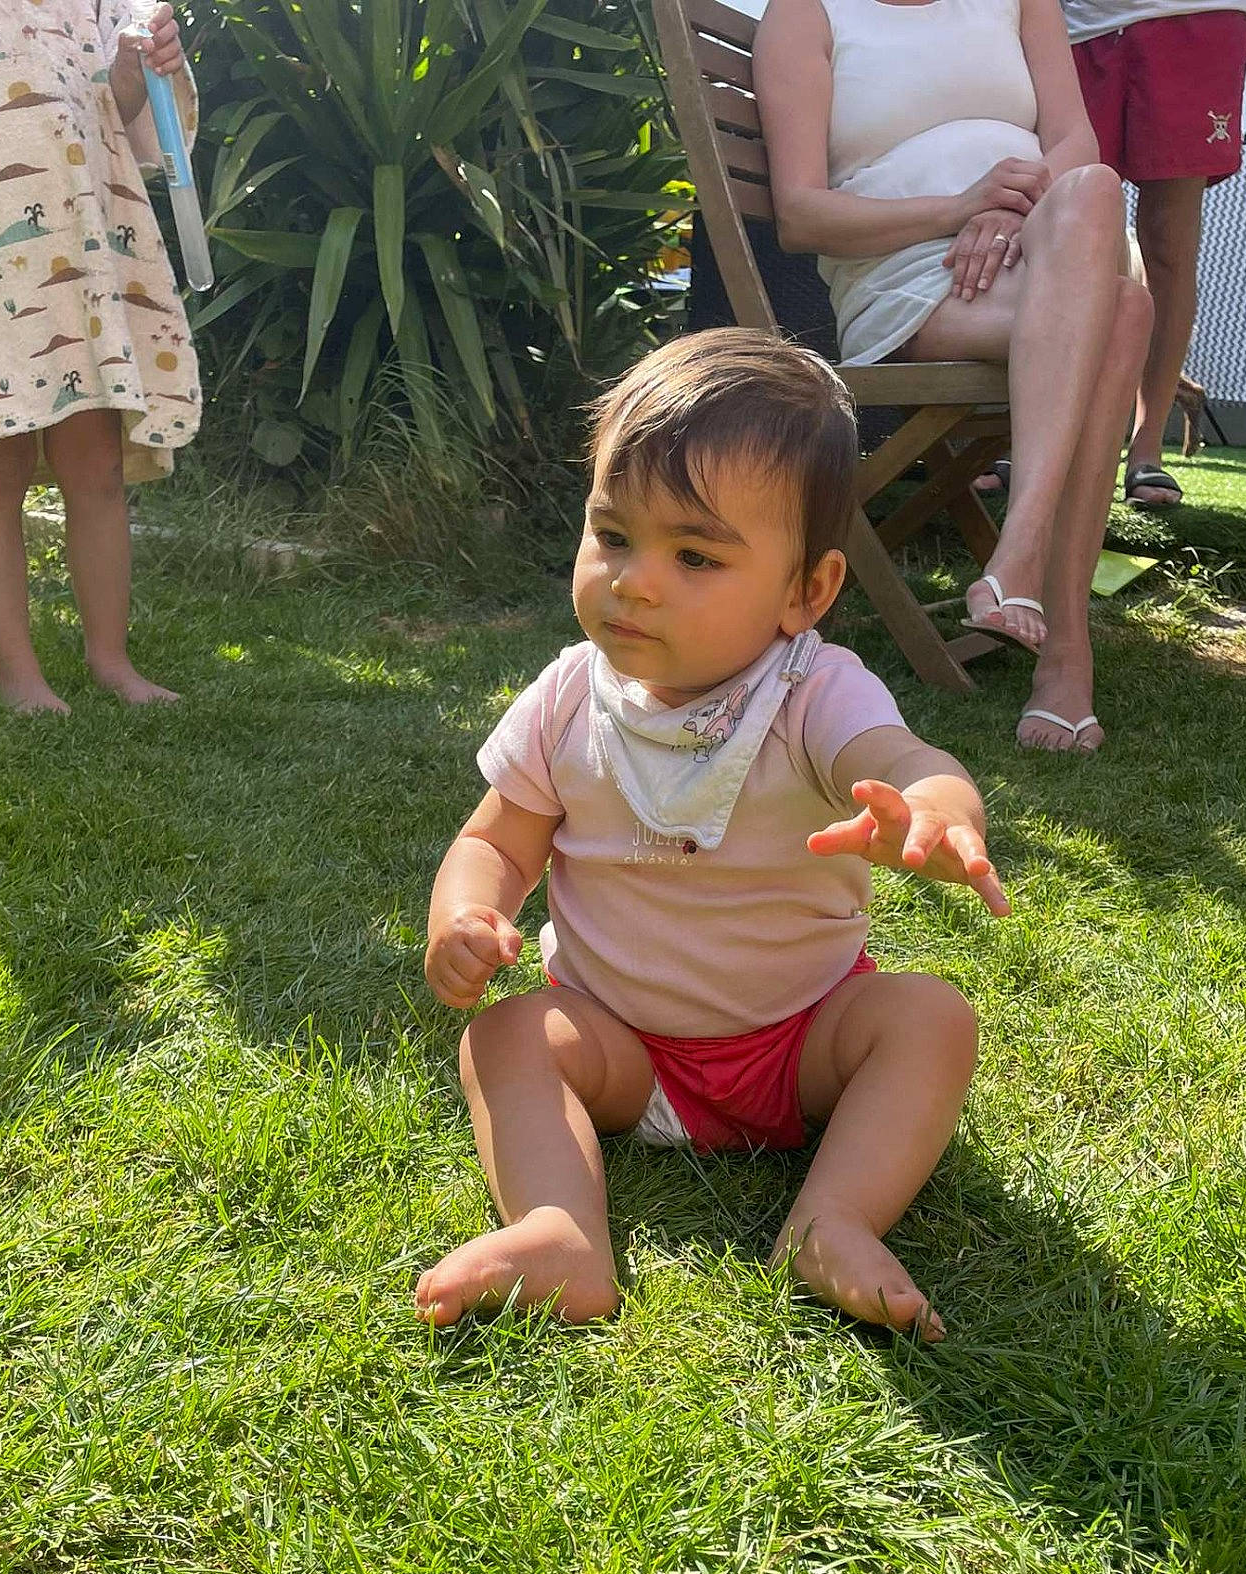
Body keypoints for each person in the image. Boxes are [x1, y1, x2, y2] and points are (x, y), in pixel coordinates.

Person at [419, 331, 1009, 1340]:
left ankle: (833, 1219)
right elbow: (498, 843)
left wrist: (938, 808)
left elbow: (908, 757)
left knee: (930, 1019)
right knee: (508, 1035)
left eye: (694, 554)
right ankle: (562, 1227)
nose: (636, 580)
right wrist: (465, 914)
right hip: (618, 1044)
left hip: (801, 1039)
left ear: (805, 592)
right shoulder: (567, 698)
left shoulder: (813, 691)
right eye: (614, 536)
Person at [753, 0, 1155, 755]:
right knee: (1124, 315)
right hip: (914, 279)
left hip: (1047, 247)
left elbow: (1073, 139)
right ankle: (1064, 653)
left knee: (1096, 186)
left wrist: (1007, 214)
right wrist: (960, 209)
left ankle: (1022, 552)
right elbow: (801, 216)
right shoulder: (806, 13)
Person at [0, 2, 203, 714]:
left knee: (96, 462)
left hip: (79, 242)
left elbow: (120, 115)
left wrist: (134, 70)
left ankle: (110, 660)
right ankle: (16, 673)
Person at [1061, 0, 1246, 506]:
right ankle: (1044, 438)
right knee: (1064, 232)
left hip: (1196, 14)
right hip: (1075, 23)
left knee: (1168, 243)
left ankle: (1147, 450)